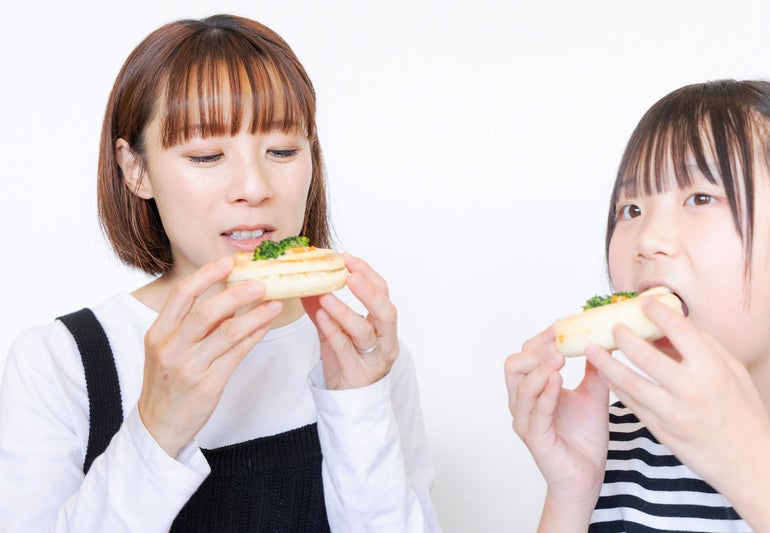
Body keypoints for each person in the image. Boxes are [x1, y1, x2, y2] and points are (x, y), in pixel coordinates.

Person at [0, 14, 440, 532]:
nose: (254, 187)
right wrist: (156, 427)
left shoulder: (362, 352)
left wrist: (359, 408)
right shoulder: (58, 364)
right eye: (207, 155)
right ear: (135, 169)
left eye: (283, 151)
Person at [504, 79, 770, 532]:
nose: (648, 242)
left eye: (701, 198)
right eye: (631, 210)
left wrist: (750, 464)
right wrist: (571, 496)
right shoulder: (610, 441)